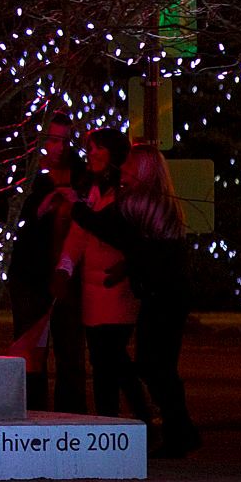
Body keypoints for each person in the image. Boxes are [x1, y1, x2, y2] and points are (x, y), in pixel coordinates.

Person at [70, 144, 201, 456]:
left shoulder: (138, 203)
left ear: (142, 170)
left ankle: (180, 431)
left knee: (155, 364)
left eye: (129, 163)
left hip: (163, 295)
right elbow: (146, 248)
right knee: (158, 364)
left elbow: (111, 229)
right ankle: (178, 429)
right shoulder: (161, 205)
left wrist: (76, 206)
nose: (123, 167)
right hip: (169, 293)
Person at [54, 127, 147, 420]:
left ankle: (141, 416)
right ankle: (109, 420)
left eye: (98, 148)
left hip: (117, 287)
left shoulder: (126, 192)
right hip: (93, 291)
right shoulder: (91, 190)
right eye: (89, 148)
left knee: (114, 357)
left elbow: (113, 230)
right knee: (100, 359)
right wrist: (64, 268)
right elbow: (78, 236)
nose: (91, 153)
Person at [4, 115, 87, 411]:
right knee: (30, 348)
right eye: (53, 140)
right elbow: (10, 221)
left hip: (70, 274)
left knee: (71, 350)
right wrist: (42, 208)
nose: (60, 148)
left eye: (65, 140)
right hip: (30, 273)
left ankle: (72, 412)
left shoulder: (81, 173)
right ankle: (33, 409)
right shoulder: (25, 175)